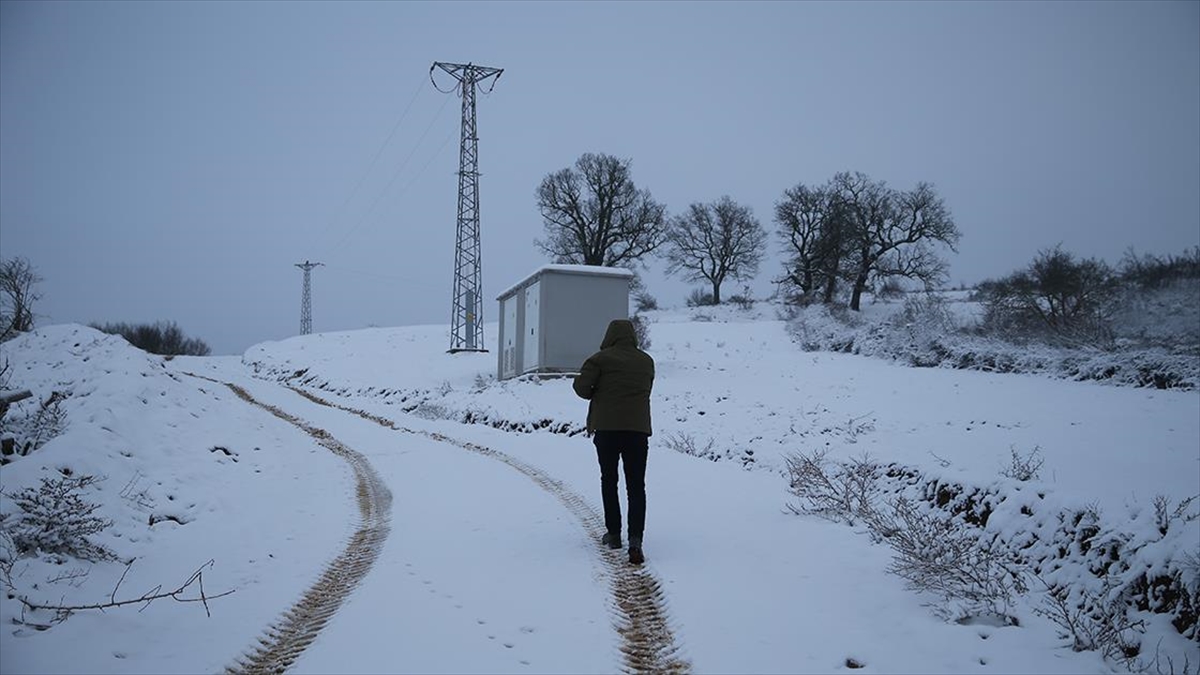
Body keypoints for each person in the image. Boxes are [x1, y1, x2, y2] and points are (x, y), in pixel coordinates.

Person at [572, 318, 655, 565]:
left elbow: (582, 389)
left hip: (607, 429)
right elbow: (647, 388)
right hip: (638, 430)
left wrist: (600, 389)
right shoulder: (646, 361)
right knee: (636, 485)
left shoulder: (599, 359)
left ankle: (614, 534)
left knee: (609, 480)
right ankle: (636, 539)